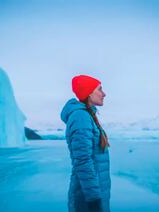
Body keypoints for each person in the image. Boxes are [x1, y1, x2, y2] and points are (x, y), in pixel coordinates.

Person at [61, 75, 111, 212]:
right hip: (88, 197)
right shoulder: (80, 117)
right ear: (89, 93)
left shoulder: (88, 115)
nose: (104, 94)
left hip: (94, 191)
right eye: (100, 89)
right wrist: (93, 199)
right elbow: (83, 160)